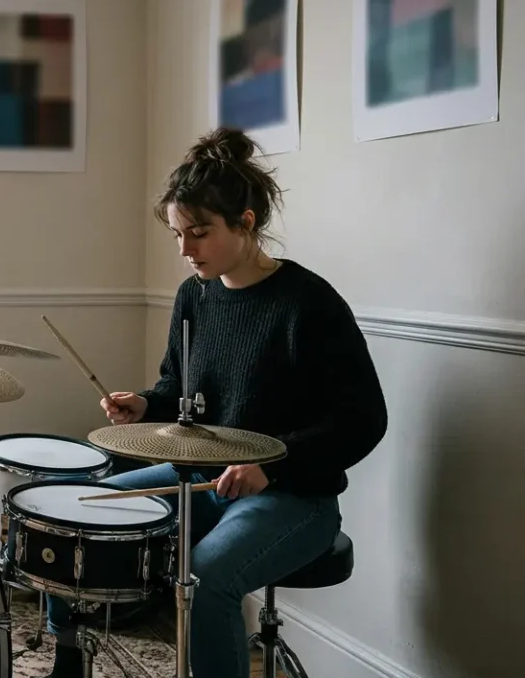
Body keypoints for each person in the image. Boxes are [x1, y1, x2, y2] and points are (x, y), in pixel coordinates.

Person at [39, 127, 388, 678]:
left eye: (198, 233)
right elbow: (179, 387)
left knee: (205, 578)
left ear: (246, 222)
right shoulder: (194, 296)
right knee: (75, 514)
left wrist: (273, 467)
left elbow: (364, 421)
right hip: (200, 479)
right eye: (178, 235)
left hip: (295, 498)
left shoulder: (309, 305)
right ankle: (69, 662)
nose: (184, 250)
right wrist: (147, 405)